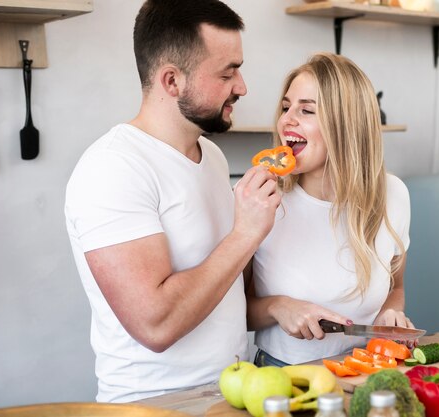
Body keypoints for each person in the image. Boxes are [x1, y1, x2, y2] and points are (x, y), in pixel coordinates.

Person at [64, 0, 281, 403]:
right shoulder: (113, 168)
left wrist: (282, 304)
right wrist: (246, 234)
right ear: (171, 81)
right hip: (154, 404)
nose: (242, 86)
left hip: (232, 392)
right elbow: (156, 325)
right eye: (227, 72)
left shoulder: (211, 156)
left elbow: (227, 291)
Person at [246, 52, 415, 366]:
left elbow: (396, 286)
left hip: (367, 368)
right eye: (286, 107)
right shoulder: (262, 201)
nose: (286, 120)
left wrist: (391, 313)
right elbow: (231, 313)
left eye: (306, 110)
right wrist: (277, 306)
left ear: (346, 125)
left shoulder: (393, 194)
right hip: (281, 374)